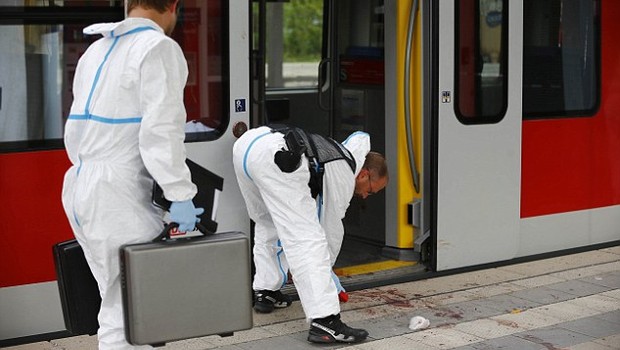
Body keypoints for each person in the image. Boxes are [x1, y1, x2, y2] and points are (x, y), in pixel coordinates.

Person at [61, 1, 203, 349]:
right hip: (119, 195)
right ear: (173, 6)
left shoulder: (96, 49)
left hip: (82, 185)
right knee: (134, 307)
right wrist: (180, 195)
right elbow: (162, 133)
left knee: (117, 303)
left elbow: (76, 130)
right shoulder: (159, 48)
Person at [232, 126, 388, 344]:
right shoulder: (344, 171)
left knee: (268, 223)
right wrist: (327, 278)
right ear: (363, 174)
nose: (364, 196)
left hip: (247, 147)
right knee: (308, 240)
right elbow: (329, 231)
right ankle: (325, 321)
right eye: (370, 190)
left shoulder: (337, 152)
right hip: (278, 161)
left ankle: (266, 291)